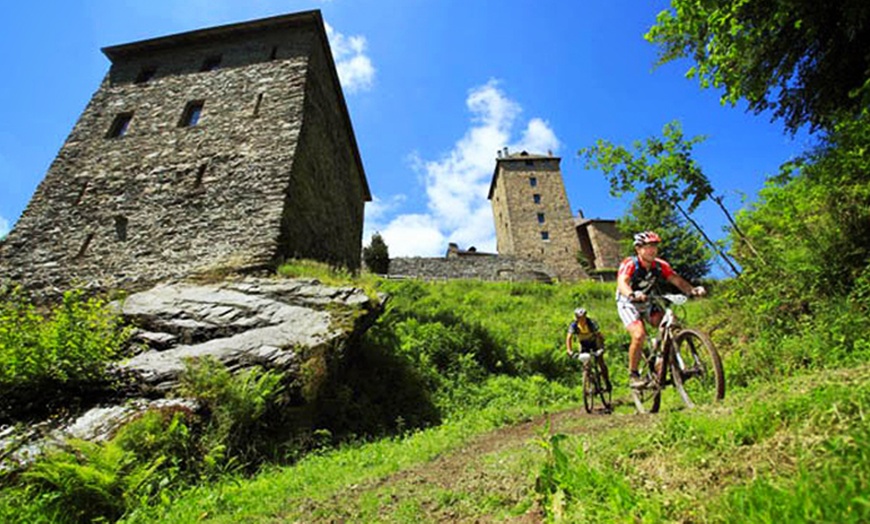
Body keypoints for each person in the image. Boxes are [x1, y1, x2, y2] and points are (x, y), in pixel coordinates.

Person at [616, 231, 707, 388]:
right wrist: (631, 294)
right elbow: (622, 282)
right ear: (638, 249)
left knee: (667, 324)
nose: (652, 250)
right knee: (639, 335)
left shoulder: (660, 265)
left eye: (655, 247)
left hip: (648, 300)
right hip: (628, 301)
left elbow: (676, 279)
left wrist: (691, 290)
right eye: (648, 247)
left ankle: (661, 358)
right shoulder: (630, 263)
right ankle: (633, 374)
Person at [566, 307, 611, 391]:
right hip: (583, 344)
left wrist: (601, 347)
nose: (581, 319)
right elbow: (569, 338)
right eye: (578, 317)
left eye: (582, 317)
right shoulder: (574, 325)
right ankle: (590, 384)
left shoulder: (591, 323)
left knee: (600, 361)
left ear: (585, 316)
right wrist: (569, 350)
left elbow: (599, 335)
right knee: (586, 364)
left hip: (594, 343)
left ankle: (607, 381)